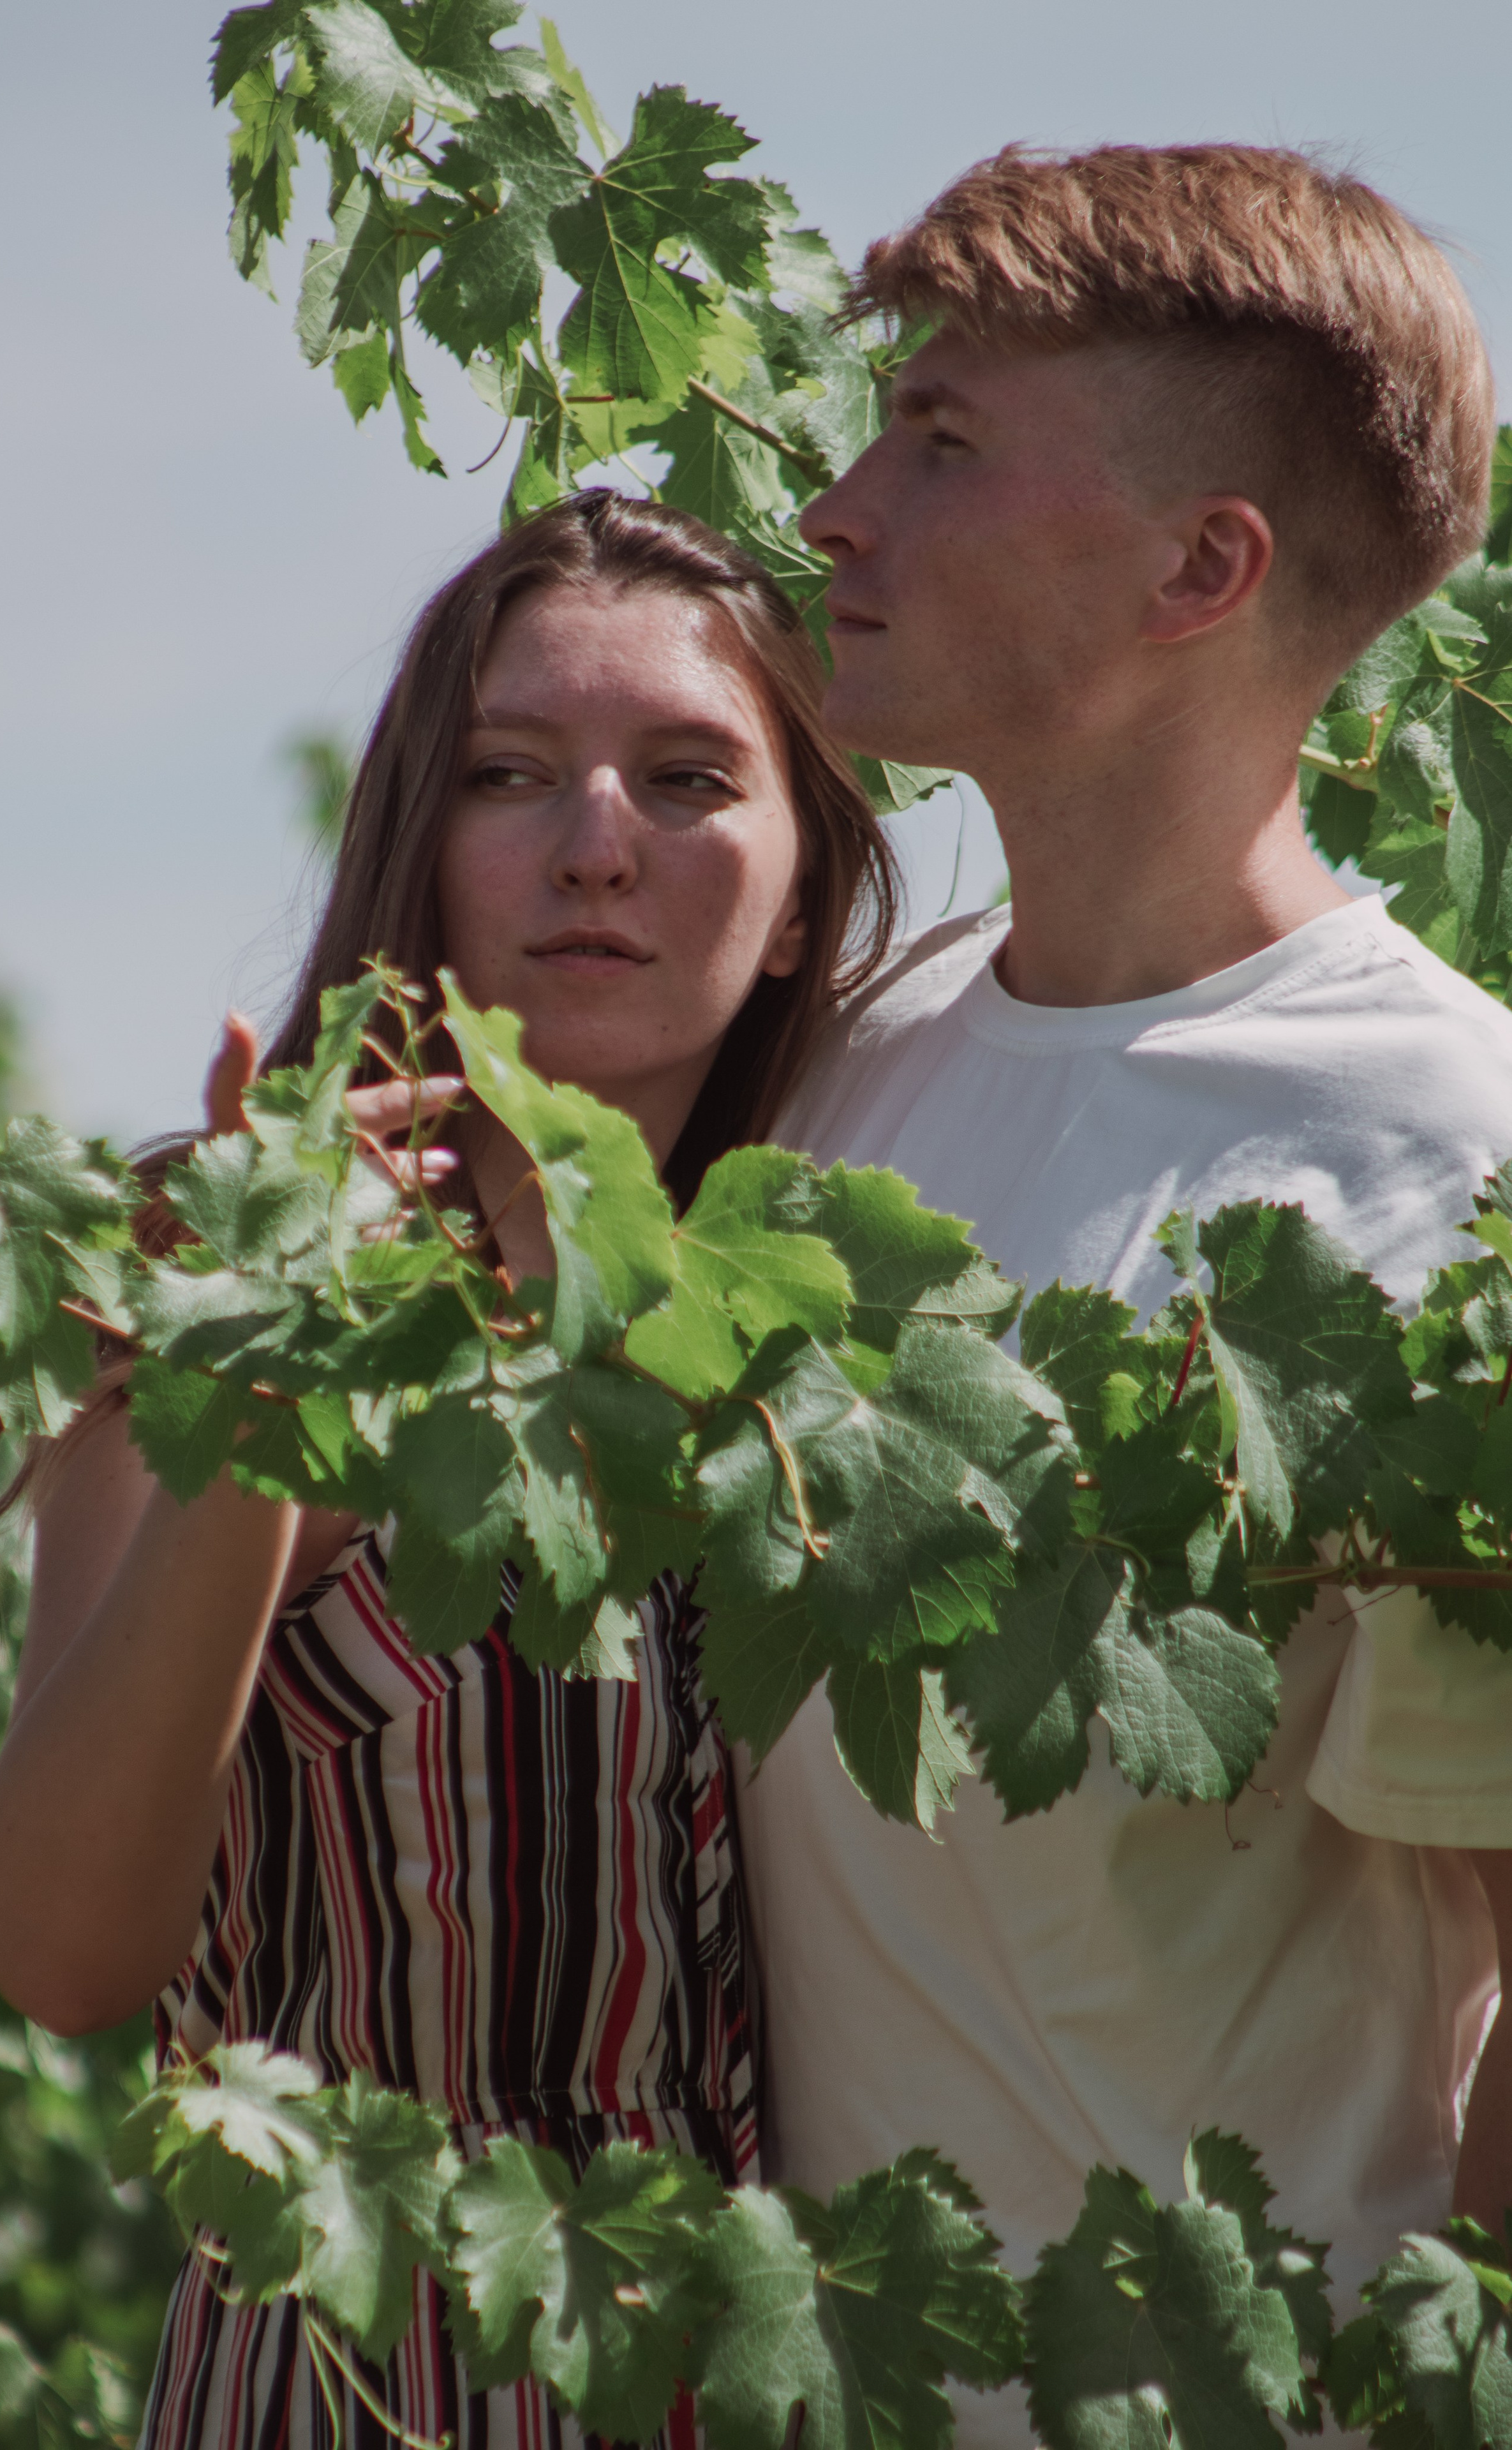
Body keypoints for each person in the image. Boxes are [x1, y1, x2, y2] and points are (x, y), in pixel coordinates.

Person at [0, 489, 898, 2450]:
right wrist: (278, 1386)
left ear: (803, 890)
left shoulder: (862, 1337)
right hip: (348, 2403)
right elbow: (66, 1955)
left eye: (687, 777)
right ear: (427, 844)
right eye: (509, 773)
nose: (594, 846)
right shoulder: (203, 1286)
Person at [735, 141, 1512, 2434]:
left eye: (944, 441)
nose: (840, 507)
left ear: (1205, 566)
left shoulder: (1456, 1167)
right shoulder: (824, 1080)